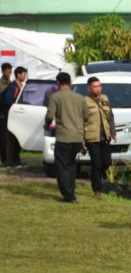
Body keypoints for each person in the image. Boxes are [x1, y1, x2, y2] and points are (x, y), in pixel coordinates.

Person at [44, 72, 89, 203]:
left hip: (64, 137)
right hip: (77, 138)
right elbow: (86, 117)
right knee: (71, 165)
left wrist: (47, 125)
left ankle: (69, 195)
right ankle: (71, 191)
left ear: (58, 83)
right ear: (70, 83)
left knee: (62, 166)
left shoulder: (55, 97)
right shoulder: (80, 98)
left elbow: (49, 116)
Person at [83, 77, 116, 199]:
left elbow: (110, 116)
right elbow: (81, 121)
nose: (98, 88)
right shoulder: (84, 101)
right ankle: (97, 190)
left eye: (99, 86)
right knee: (96, 163)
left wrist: (113, 132)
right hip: (92, 137)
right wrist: (82, 140)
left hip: (105, 137)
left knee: (106, 162)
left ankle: (94, 175)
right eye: (95, 86)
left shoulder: (105, 99)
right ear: (89, 88)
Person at [2, 66, 28, 168]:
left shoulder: (21, 86)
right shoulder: (12, 87)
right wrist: (17, 106)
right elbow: (7, 101)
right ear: (18, 75)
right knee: (10, 140)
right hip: (10, 116)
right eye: (24, 74)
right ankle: (10, 162)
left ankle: (17, 161)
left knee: (17, 139)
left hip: (18, 116)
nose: (25, 76)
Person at [0, 62, 12, 165]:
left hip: (9, 113)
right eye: (7, 72)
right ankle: (3, 159)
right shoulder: (1, 84)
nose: (9, 74)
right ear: (3, 71)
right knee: (3, 137)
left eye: (10, 72)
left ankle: (8, 158)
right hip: (2, 113)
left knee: (8, 137)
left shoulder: (11, 83)